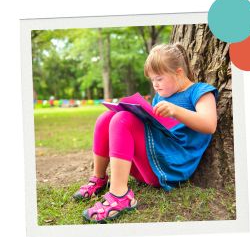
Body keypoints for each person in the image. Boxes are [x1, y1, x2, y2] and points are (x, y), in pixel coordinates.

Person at [73, 43, 218, 223]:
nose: (155, 85)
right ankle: (99, 178)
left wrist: (175, 111)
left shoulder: (200, 91)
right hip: (150, 162)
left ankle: (120, 196)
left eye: (159, 79)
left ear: (179, 72)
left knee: (122, 120)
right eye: (152, 80)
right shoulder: (162, 95)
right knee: (107, 117)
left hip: (171, 166)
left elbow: (210, 125)